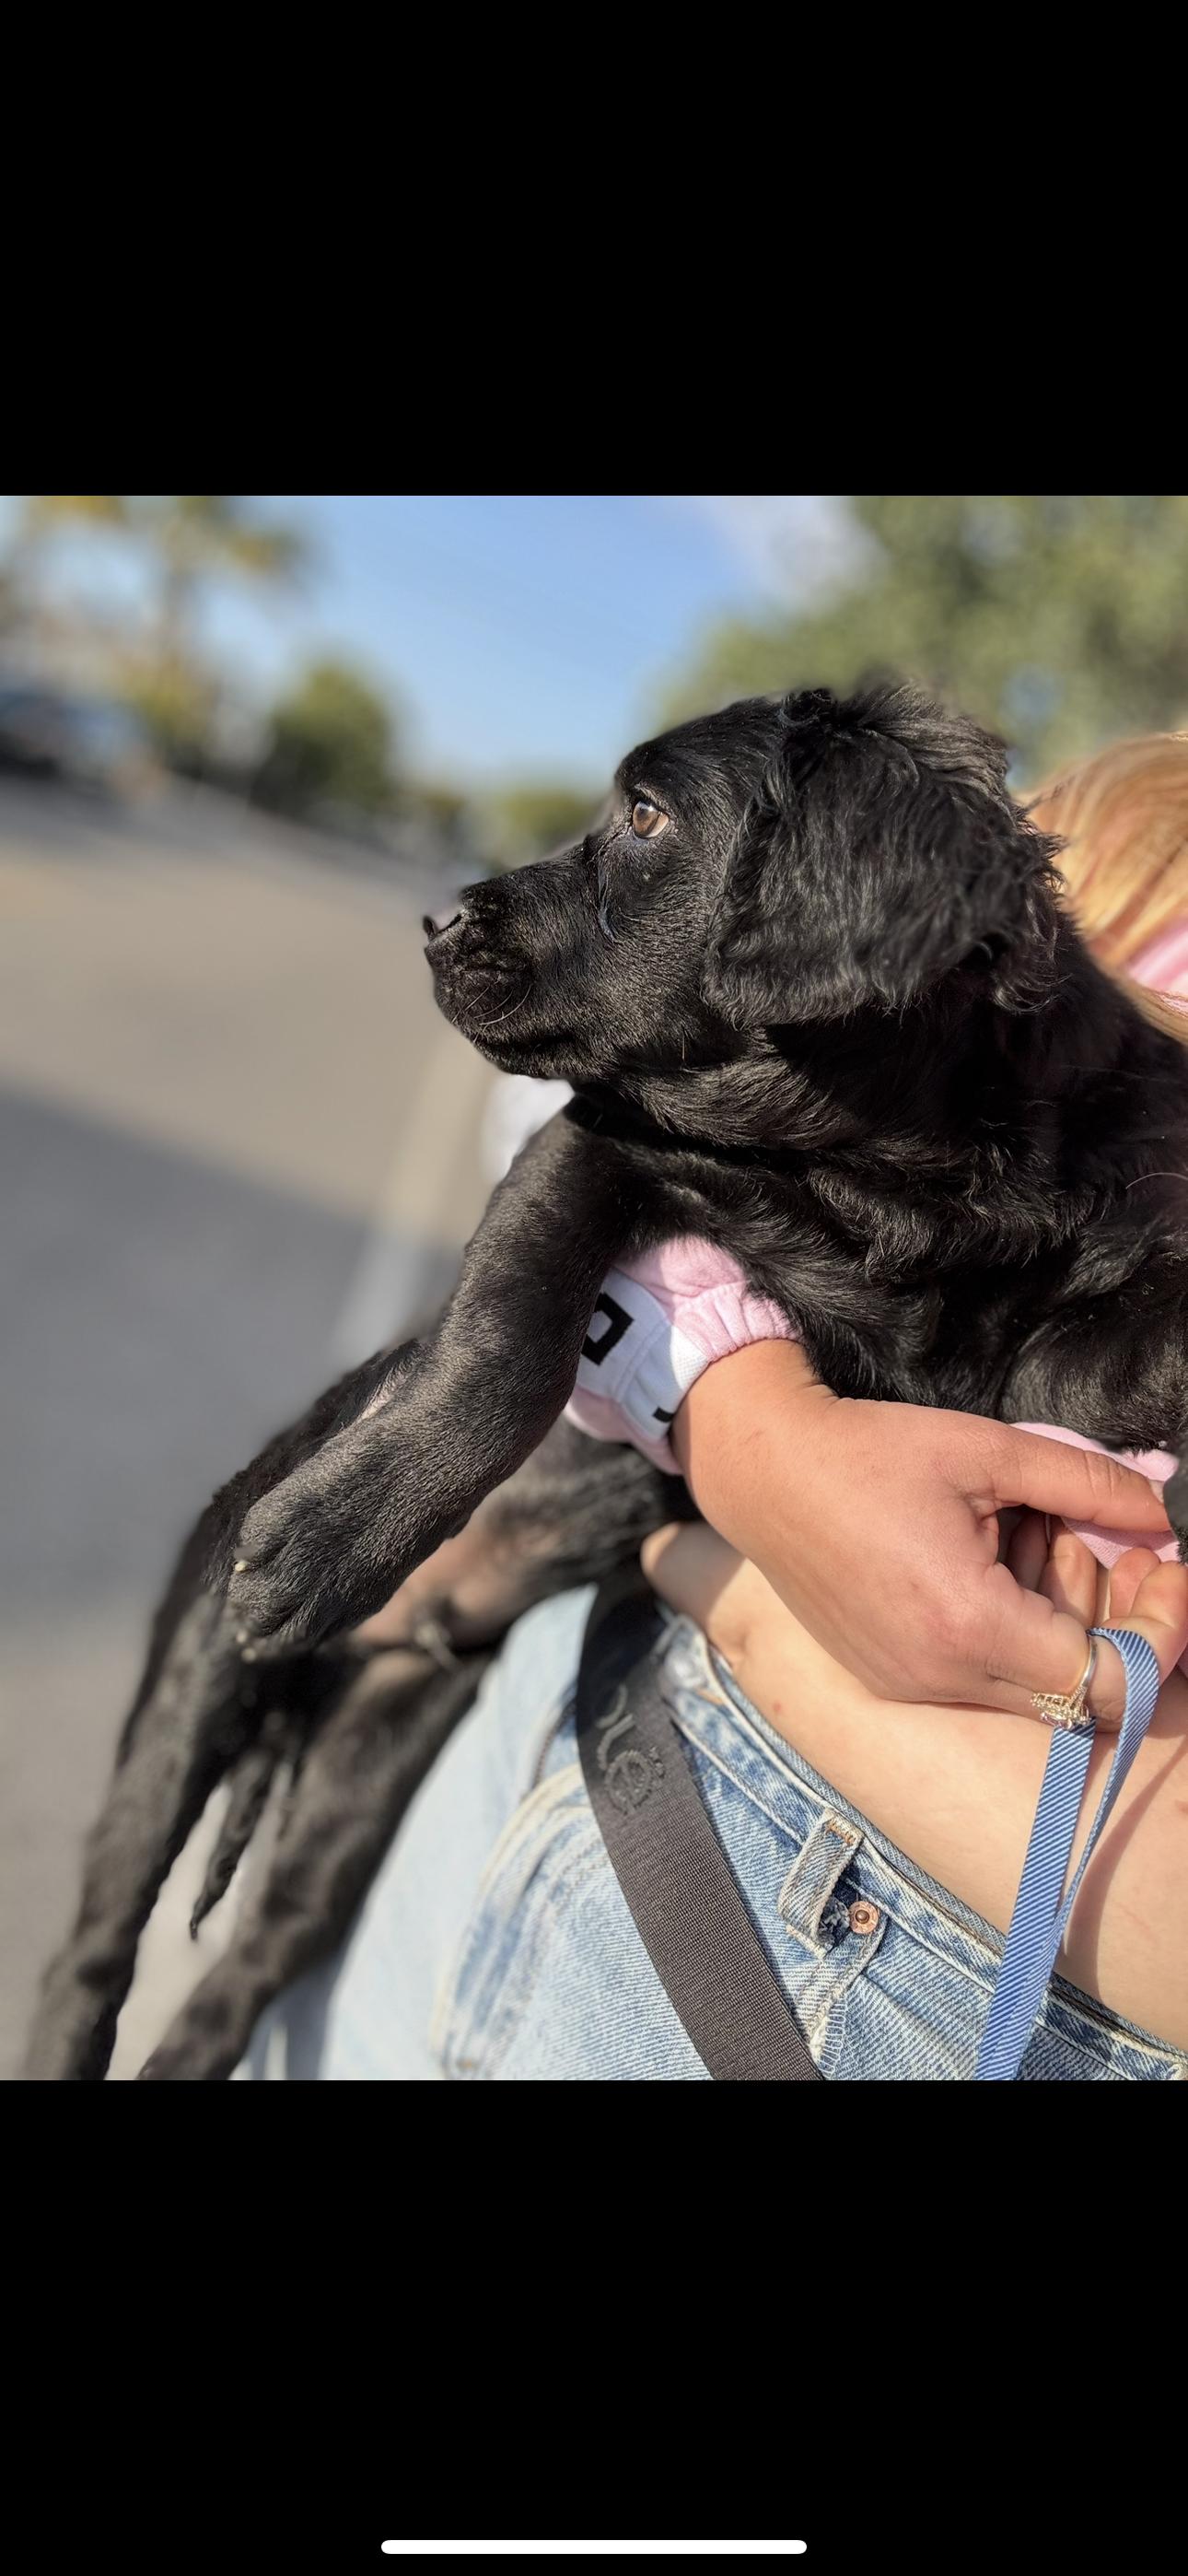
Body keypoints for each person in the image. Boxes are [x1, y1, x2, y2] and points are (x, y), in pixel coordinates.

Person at [239, 730, 1188, 2080]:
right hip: (604, 1767)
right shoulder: (1086, 837)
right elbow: (629, 1106)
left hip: (865, 1956)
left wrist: (744, 1595)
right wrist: (742, 1416)